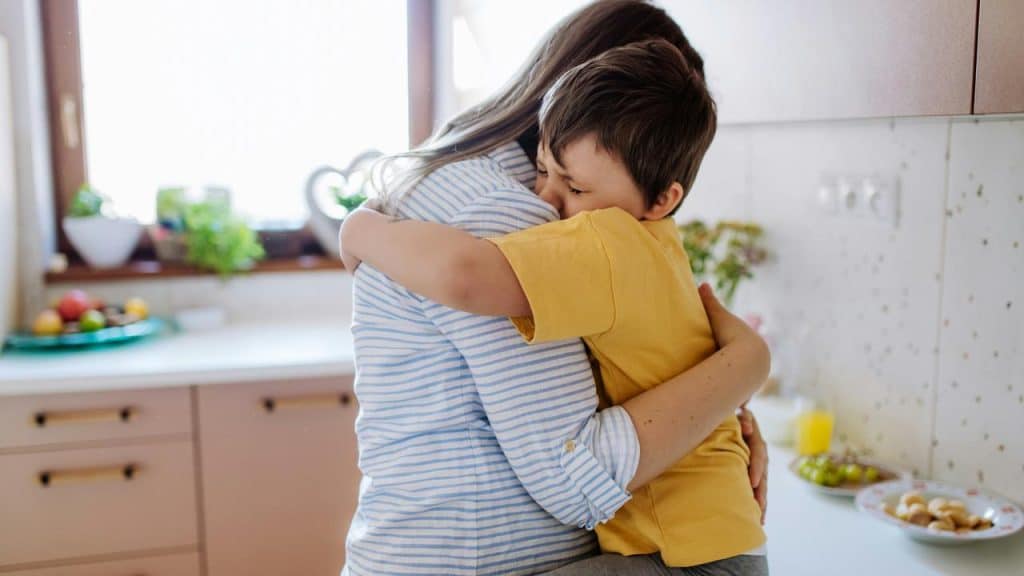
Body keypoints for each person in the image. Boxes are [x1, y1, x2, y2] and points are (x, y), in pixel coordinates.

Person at [339, 2, 769, 575]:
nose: (553, 196)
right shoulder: (507, 209)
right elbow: (575, 473)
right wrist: (743, 366)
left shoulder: (493, 184)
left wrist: (717, 423)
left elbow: (635, 354)